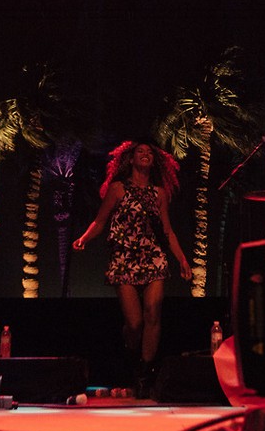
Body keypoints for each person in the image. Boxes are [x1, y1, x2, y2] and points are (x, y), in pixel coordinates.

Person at [72, 140, 190, 394]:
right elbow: (100, 221)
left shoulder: (159, 193)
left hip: (153, 257)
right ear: (131, 159)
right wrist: (84, 238)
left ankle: (145, 373)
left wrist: (181, 259)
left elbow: (167, 231)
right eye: (140, 152)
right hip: (124, 258)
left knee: (153, 311)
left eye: (149, 153)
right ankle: (131, 356)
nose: (145, 154)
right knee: (135, 324)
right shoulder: (118, 189)